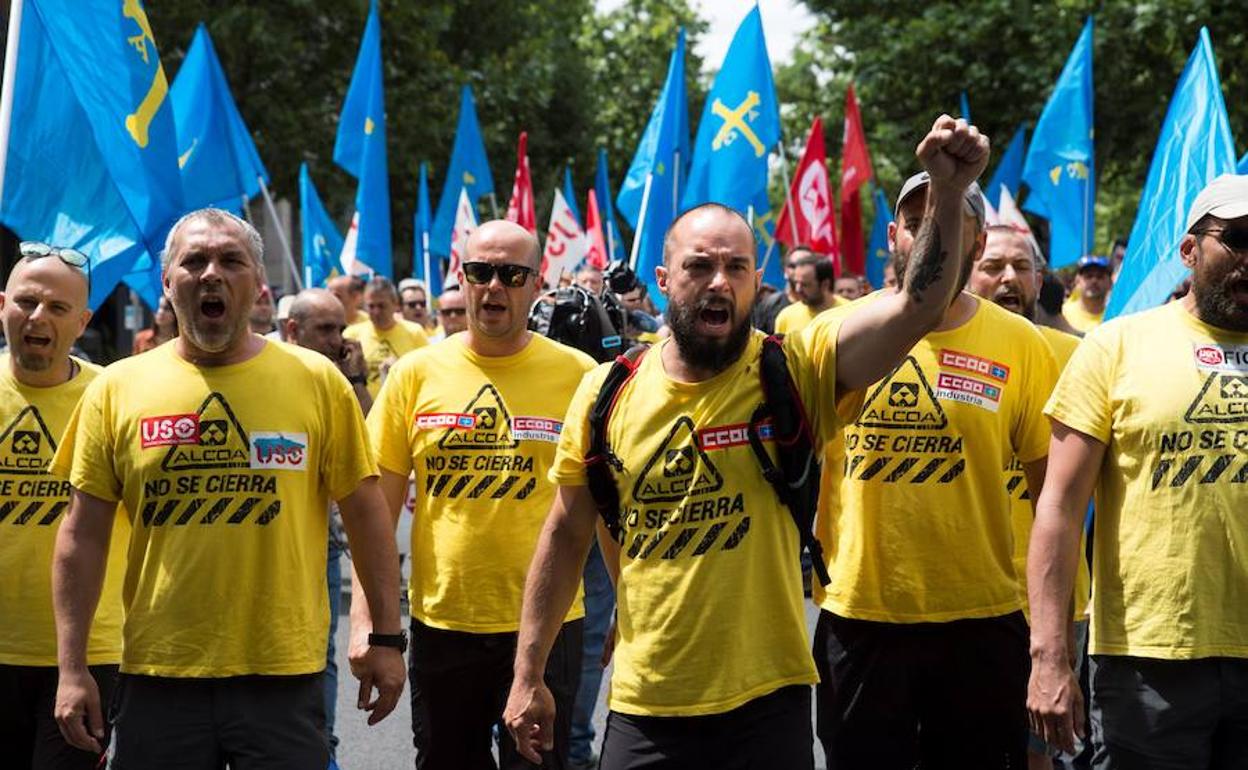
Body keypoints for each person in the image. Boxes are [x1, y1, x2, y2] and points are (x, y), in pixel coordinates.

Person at [503, 115, 990, 770]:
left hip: (768, 704)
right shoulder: (604, 394)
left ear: (757, 281)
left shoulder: (796, 368)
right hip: (648, 705)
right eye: (698, 266)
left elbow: (916, 305)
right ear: (663, 279)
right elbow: (565, 537)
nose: (717, 281)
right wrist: (528, 675)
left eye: (735, 267)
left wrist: (950, 193)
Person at [49, 208, 407, 769]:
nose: (211, 273)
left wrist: (386, 638)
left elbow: (366, 516)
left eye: (230, 261)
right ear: (167, 284)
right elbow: (82, 537)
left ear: (259, 285)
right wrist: (71, 668)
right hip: (158, 676)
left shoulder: (317, 381)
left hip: (283, 677)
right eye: (194, 261)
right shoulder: (117, 388)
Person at [811, 172, 1059, 769]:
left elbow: (1053, 500)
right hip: (860, 616)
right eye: (918, 225)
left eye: (947, 224)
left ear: (975, 245)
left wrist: (1053, 642)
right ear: (893, 236)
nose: (931, 237)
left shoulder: (1021, 343)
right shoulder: (835, 333)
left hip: (982, 620)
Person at [358, 220, 596, 769]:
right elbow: (374, 512)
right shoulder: (415, 374)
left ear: (537, 285)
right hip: (445, 626)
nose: (494, 286)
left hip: (551, 625)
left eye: (512, 274)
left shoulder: (579, 375)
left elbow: (601, 512)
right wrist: (370, 624)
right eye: (480, 272)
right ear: (460, 279)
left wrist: (623, 617)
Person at [1028, 174, 1248, 766]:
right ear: (1189, 249)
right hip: (1148, 658)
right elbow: (1059, 506)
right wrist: (1050, 654)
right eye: (1239, 238)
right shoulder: (1116, 346)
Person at [967, 224, 1092, 769]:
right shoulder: (929, 354)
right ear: (966, 268)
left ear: (1042, 280)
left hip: (1058, 595)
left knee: (1040, 753)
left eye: (1023, 267)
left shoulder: (1086, 358)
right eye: (993, 265)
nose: (1009, 278)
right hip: (970, 600)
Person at [0, 245, 129, 769]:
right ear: (2, 305)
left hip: (88, 654)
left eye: (57, 308)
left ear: (83, 322)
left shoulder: (115, 396)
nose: (37, 317)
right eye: (27, 302)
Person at [284, 288, 372, 765]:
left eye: (341, 329)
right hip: (273, 538)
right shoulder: (271, 373)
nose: (337, 340)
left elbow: (370, 441)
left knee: (323, 651)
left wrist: (355, 376)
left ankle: (324, 747)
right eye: (325, 330)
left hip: (323, 540)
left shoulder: (337, 380)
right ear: (292, 331)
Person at [344, 276, 430, 398]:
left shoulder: (414, 332)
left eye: (381, 306)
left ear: (395, 304)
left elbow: (426, 372)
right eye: (371, 306)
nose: (376, 312)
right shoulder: (352, 334)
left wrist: (399, 369)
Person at [773, 250, 844, 335]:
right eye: (796, 283)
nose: (798, 289)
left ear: (825, 284)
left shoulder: (849, 314)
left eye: (805, 285)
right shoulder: (785, 317)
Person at [1061, 256, 1112, 333]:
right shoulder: (1063, 313)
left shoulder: (1114, 316)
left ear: (1110, 283)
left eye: (1100, 277)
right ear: (1077, 281)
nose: (1094, 281)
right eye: (1088, 276)